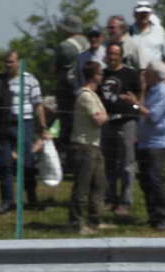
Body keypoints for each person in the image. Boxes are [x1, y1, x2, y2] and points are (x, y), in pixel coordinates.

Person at [0, 50, 48, 214]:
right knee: (5, 163)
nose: (8, 65)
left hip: (25, 123)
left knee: (27, 163)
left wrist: (43, 127)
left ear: (19, 62)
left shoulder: (30, 80)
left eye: (11, 61)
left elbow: (38, 105)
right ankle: (7, 200)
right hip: (4, 124)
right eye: (6, 62)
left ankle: (31, 197)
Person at [126, 61, 165, 230]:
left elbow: (153, 116)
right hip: (145, 140)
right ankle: (153, 215)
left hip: (158, 142)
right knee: (145, 180)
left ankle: (163, 216)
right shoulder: (150, 90)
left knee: (154, 179)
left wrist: (134, 103)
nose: (144, 74)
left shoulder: (164, 92)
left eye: (147, 71)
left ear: (155, 74)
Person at [69, 61, 112, 235]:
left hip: (94, 144)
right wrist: (105, 116)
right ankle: (77, 223)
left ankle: (96, 220)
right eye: (100, 73)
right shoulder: (85, 96)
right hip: (84, 145)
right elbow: (99, 119)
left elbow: (102, 116)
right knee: (82, 186)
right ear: (94, 76)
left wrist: (104, 116)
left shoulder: (94, 95)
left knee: (98, 184)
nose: (102, 76)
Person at [100, 42, 141, 215]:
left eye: (115, 54)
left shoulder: (130, 74)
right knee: (107, 163)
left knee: (127, 163)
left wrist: (134, 106)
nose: (112, 57)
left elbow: (139, 97)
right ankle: (109, 198)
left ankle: (125, 201)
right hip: (107, 122)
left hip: (126, 121)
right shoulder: (102, 74)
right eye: (110, 53)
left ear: (121, 56)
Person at [54, 15, 89, 166]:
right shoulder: (88, 43)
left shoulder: (64, 46)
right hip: (87, 88)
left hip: (67, 90)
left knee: (67, 125)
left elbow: (54, 68)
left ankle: (68, 160)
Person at [131, 3, 165, 83]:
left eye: (146, 13)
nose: (143, 15)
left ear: (150, 14)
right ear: (135, 14)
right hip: (134, 77)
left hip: (156, 77)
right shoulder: (128, 32)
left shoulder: (160, 31)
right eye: (141, 13)